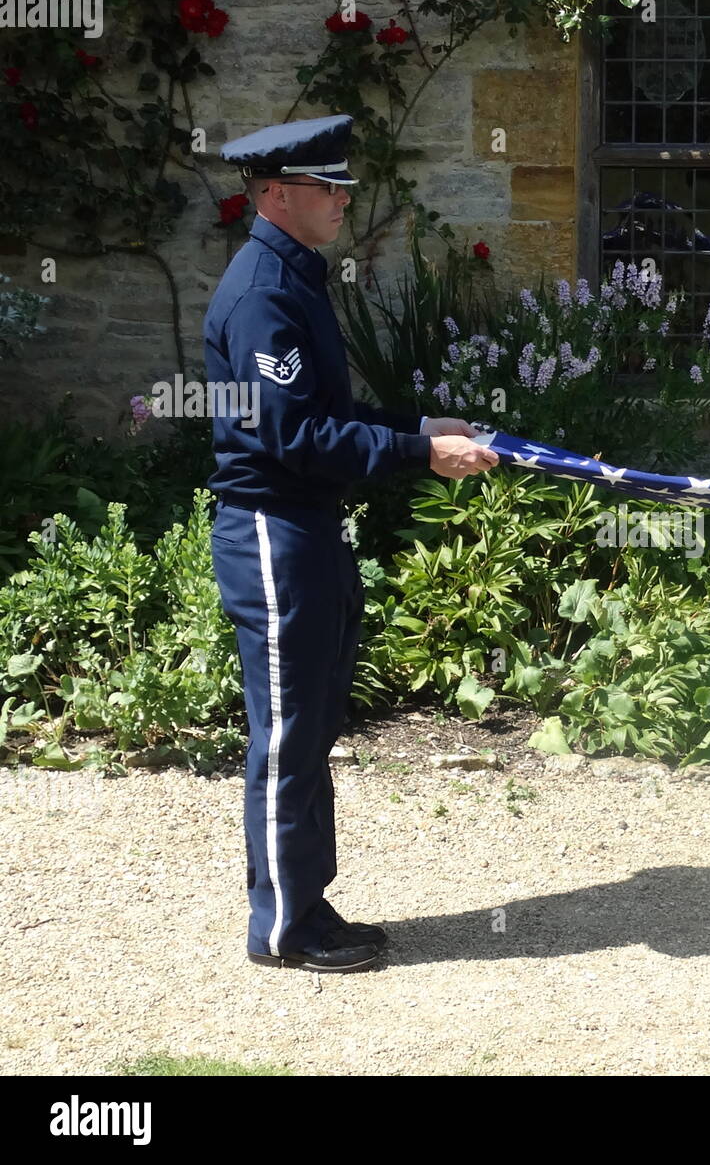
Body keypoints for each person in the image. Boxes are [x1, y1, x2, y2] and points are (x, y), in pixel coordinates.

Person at [205, 115, 498, 973]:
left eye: (344, 185)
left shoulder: (293, 278)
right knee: (289, 730)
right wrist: (420, 453)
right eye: (326, 186)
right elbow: (296, 439)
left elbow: (326, 417)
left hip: (307, 526)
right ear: (274, 193)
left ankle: (305, 901)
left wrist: (415, 424)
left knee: (312, 719)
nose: (343, 198)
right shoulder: (263, 291)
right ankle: (282, 926)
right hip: (275, 531)